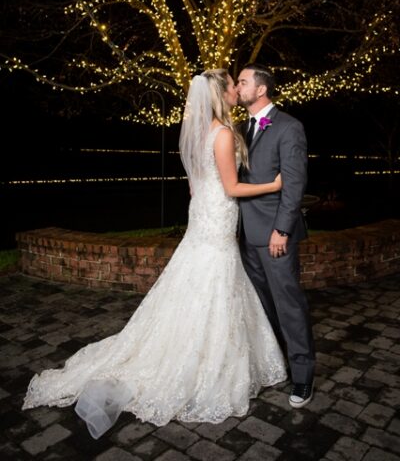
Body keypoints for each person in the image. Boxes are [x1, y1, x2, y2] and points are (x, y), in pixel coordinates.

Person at [22, 69, 287, 439]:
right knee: (215, 277)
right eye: (230, 86)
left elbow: (195, 185)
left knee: (197, 278)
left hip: (202, 215)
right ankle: (201, 360)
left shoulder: (200, 133)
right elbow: (232, 186)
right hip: (218, 215)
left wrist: (208, 193)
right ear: (218, 95)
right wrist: (275, 183)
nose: (233, 91)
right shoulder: (224, 134)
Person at [236, 64, 315, 408]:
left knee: (288, 305)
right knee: (262, 306)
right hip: (244, 235)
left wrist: (282, 230)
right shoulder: (241, 128)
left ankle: (303, 376)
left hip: (274, 235)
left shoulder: (289, 127)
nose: (237, 87)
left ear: (261, 89)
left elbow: (294, 184)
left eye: (242, 82)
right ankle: (274, 365)